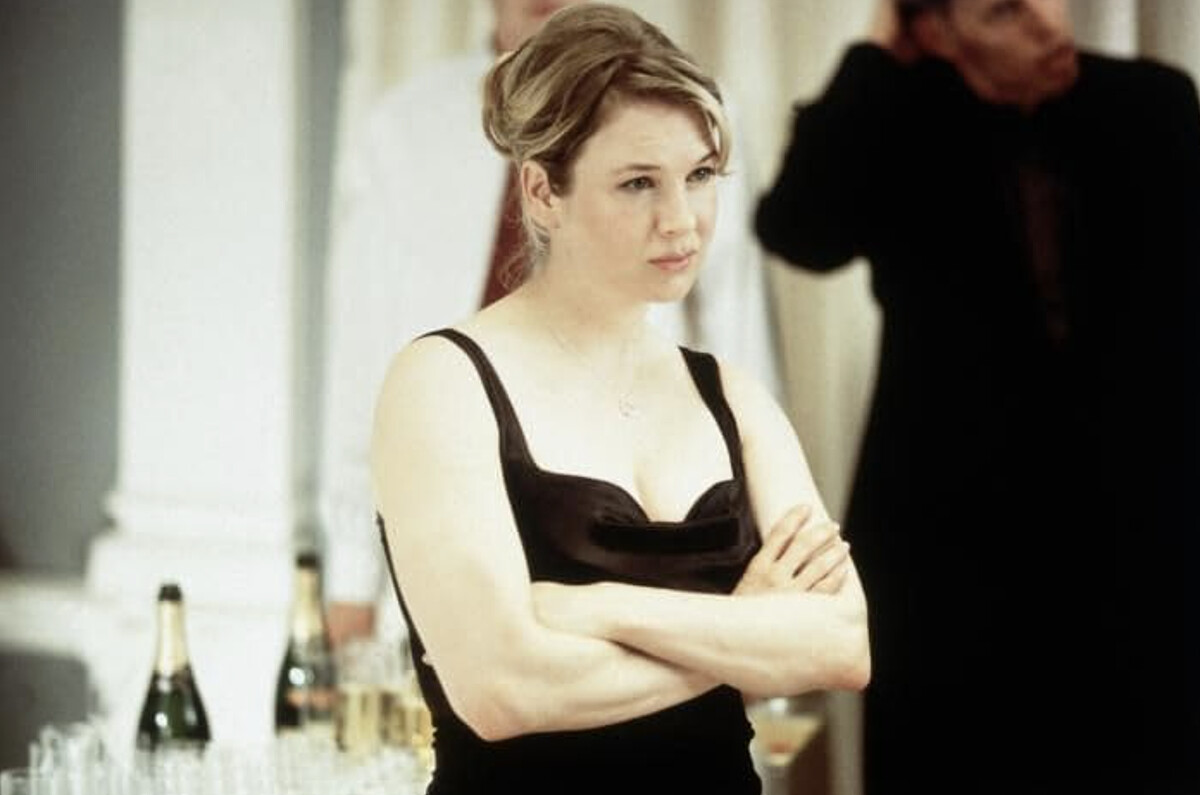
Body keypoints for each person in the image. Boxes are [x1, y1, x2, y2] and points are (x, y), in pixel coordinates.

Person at [369, 5, 870, 793]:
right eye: (638, 183)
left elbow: (841, 647)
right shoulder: (441, 382)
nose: (682, 222)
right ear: (542, 191)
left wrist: (601, 607)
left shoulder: (730, 396)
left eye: (699, 176)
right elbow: (503, 692)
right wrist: (745, 628)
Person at [754, 1, 1200, 793]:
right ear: (936, 33)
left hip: (1133, 533)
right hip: (949, 546)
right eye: (1003, 11)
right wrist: (876, 53)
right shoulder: (894, 117)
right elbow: (797, 229)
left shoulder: (1152, 103)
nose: (1049, 24)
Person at [318, 0, 780, 646]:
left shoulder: (687, 112)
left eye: (698, 177)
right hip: (448, 557)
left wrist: (754, 579)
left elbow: (739, 339)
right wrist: (350, 585)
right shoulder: (403, 129)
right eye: (637, 184)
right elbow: (361, 356)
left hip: (654, 557)